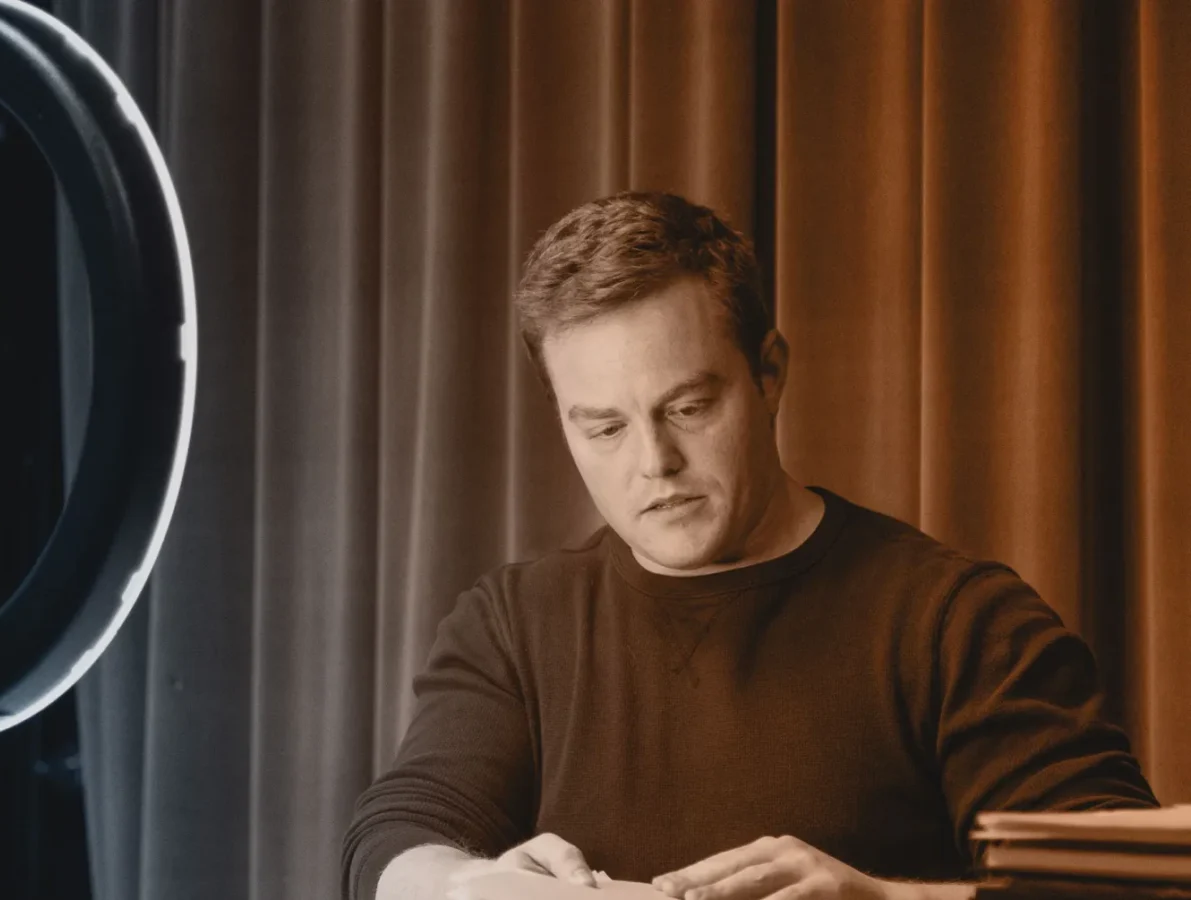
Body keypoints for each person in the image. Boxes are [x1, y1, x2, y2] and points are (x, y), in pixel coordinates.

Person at [338, 192, 1158, 900]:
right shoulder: (513, 626)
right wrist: (470, 884)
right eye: (604, 428)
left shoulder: (958, 624)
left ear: (768, 375)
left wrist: (889, 898)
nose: (651, 463)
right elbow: (397, 834)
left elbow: (1130, 887)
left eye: (688, 408)